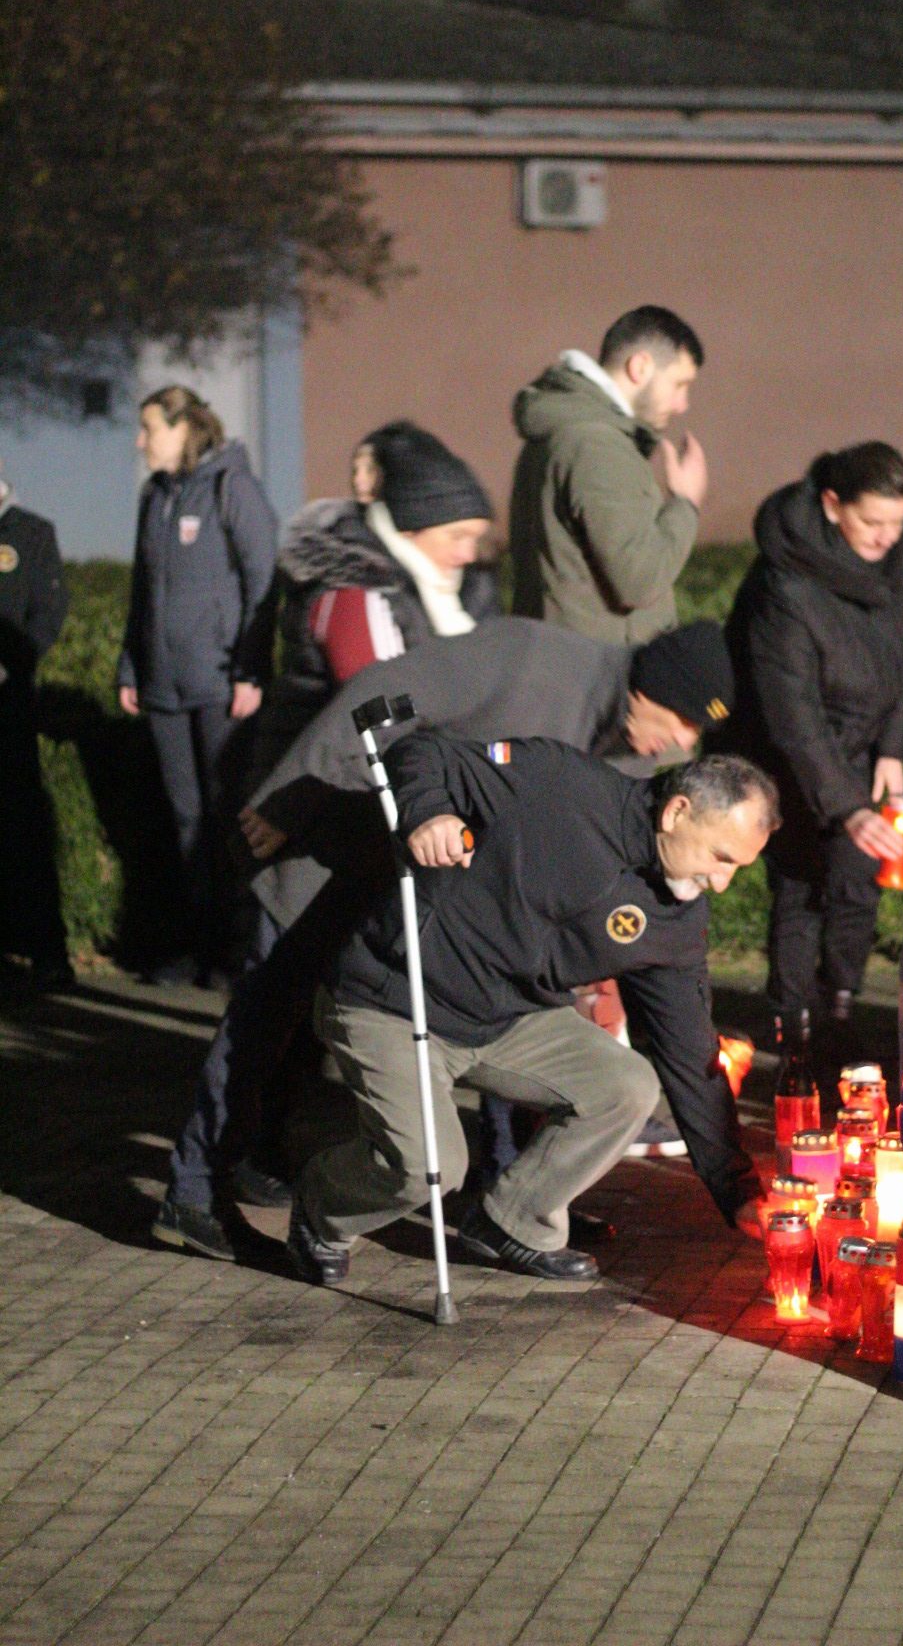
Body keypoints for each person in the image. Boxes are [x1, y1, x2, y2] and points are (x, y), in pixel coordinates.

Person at [152, 618, 738, 1260]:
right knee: (269, 1012)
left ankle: (502, 1193)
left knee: (517, 1005)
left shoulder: (635, 753)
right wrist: (289, 799)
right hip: (345, 842)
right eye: (682, 720)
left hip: (449, 914)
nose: (683, 742)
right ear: (650, 687)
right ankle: (195, 1192)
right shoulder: (531, 657)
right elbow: (380, 692)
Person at [286, 742, 778, 1287]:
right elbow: (424, 751)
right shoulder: (558, 783)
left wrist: (737, 1191)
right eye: (721, 857)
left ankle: (514, 1220)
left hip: (512, 1019)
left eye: (737, 867)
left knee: (627, 1087)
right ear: (677, 812)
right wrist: (430, 813)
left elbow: (689, 1055)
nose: (722, 882)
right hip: (397, 999)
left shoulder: (675, 919)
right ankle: (323, 1210)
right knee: (428, 1168)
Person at [724, 443, 903, 1048]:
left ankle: (840, 1007)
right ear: (834, 505)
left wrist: (893, 746)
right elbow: (793, 710)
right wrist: (847, 806)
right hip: (791, 755)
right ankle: (793, 1023)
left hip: (863, 744)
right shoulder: (785, 581)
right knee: (800, 885)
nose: (888, 537)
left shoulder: (893, 557)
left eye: (898, 522)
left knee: (857, 880)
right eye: (873, 521)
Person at [117, 386, 277, 983]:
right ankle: (199, 949)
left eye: (149, 428)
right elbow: (141, 588)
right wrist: (130, 667)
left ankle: (240, 954)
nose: (140, 441)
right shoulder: (153, 496)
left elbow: (264, 584)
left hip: (221, 687)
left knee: (229, 816)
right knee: (185, 820)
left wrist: (251, 671)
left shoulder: (232, 488)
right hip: (163, 688)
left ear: (184, 428)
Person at [252, 421, 497, 779]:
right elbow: (380, 714)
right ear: (410, 527)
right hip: (327, 788)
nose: (468, 554)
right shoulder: (354, 593)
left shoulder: (452, 589)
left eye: (475, 538)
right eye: (456, 536)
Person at [509, 305, 708, 645]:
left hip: (559, 658)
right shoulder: (598, 446)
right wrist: (685, 504)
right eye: (679, 384)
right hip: (597, 667)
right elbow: (639, 581)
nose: (682, 404)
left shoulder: (561, 431)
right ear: (640, 367)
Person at [0, 457, 72, 992]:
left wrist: (11, 665)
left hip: (9, 702)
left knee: (22, 823)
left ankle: (48, 954)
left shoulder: (31, 533)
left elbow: (48, 612)